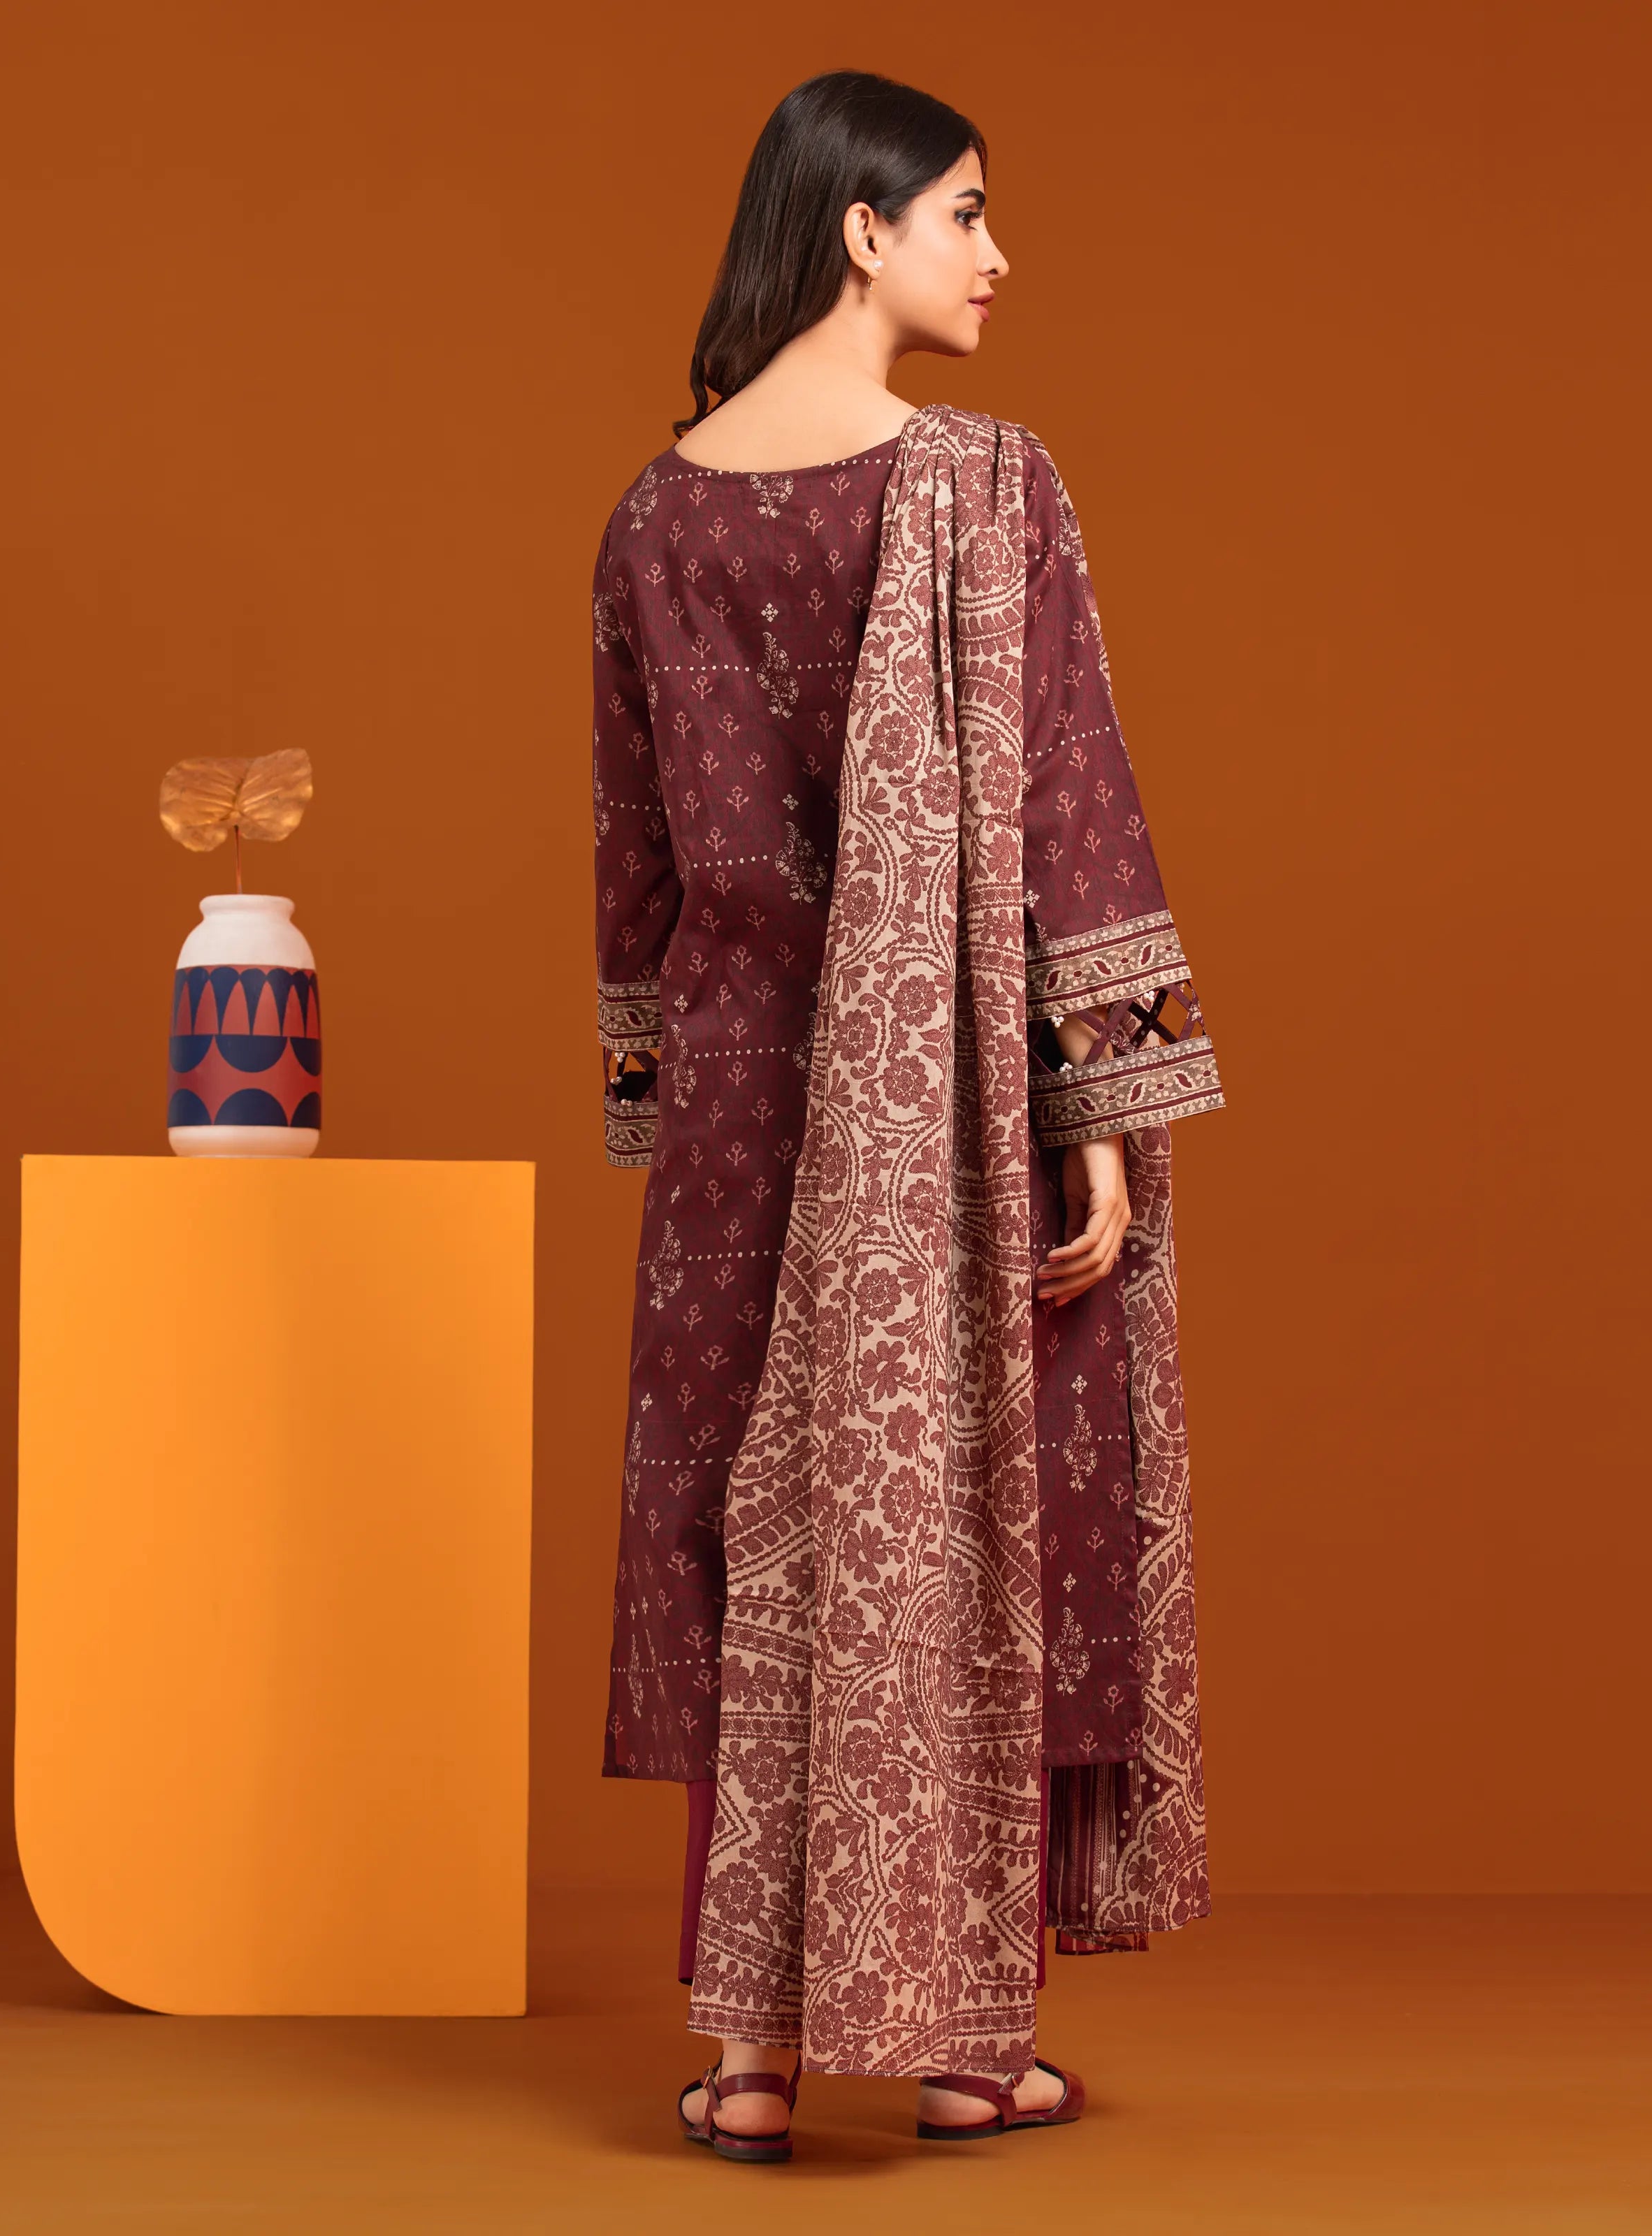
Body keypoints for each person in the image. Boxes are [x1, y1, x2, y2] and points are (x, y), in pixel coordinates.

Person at [590, 69, 1224, 2161]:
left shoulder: (652, 515)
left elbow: (638, 860)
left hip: (742, 1113)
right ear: (861, 230)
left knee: (752, 1529)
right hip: (945, 1094)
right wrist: (1101, 1101)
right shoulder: (985, 480)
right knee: (972, 1517)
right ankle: (966, 2047)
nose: (996, 254)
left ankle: (751, 2060)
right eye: (966, 210)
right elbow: (1066, 798)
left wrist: (657, 1095)